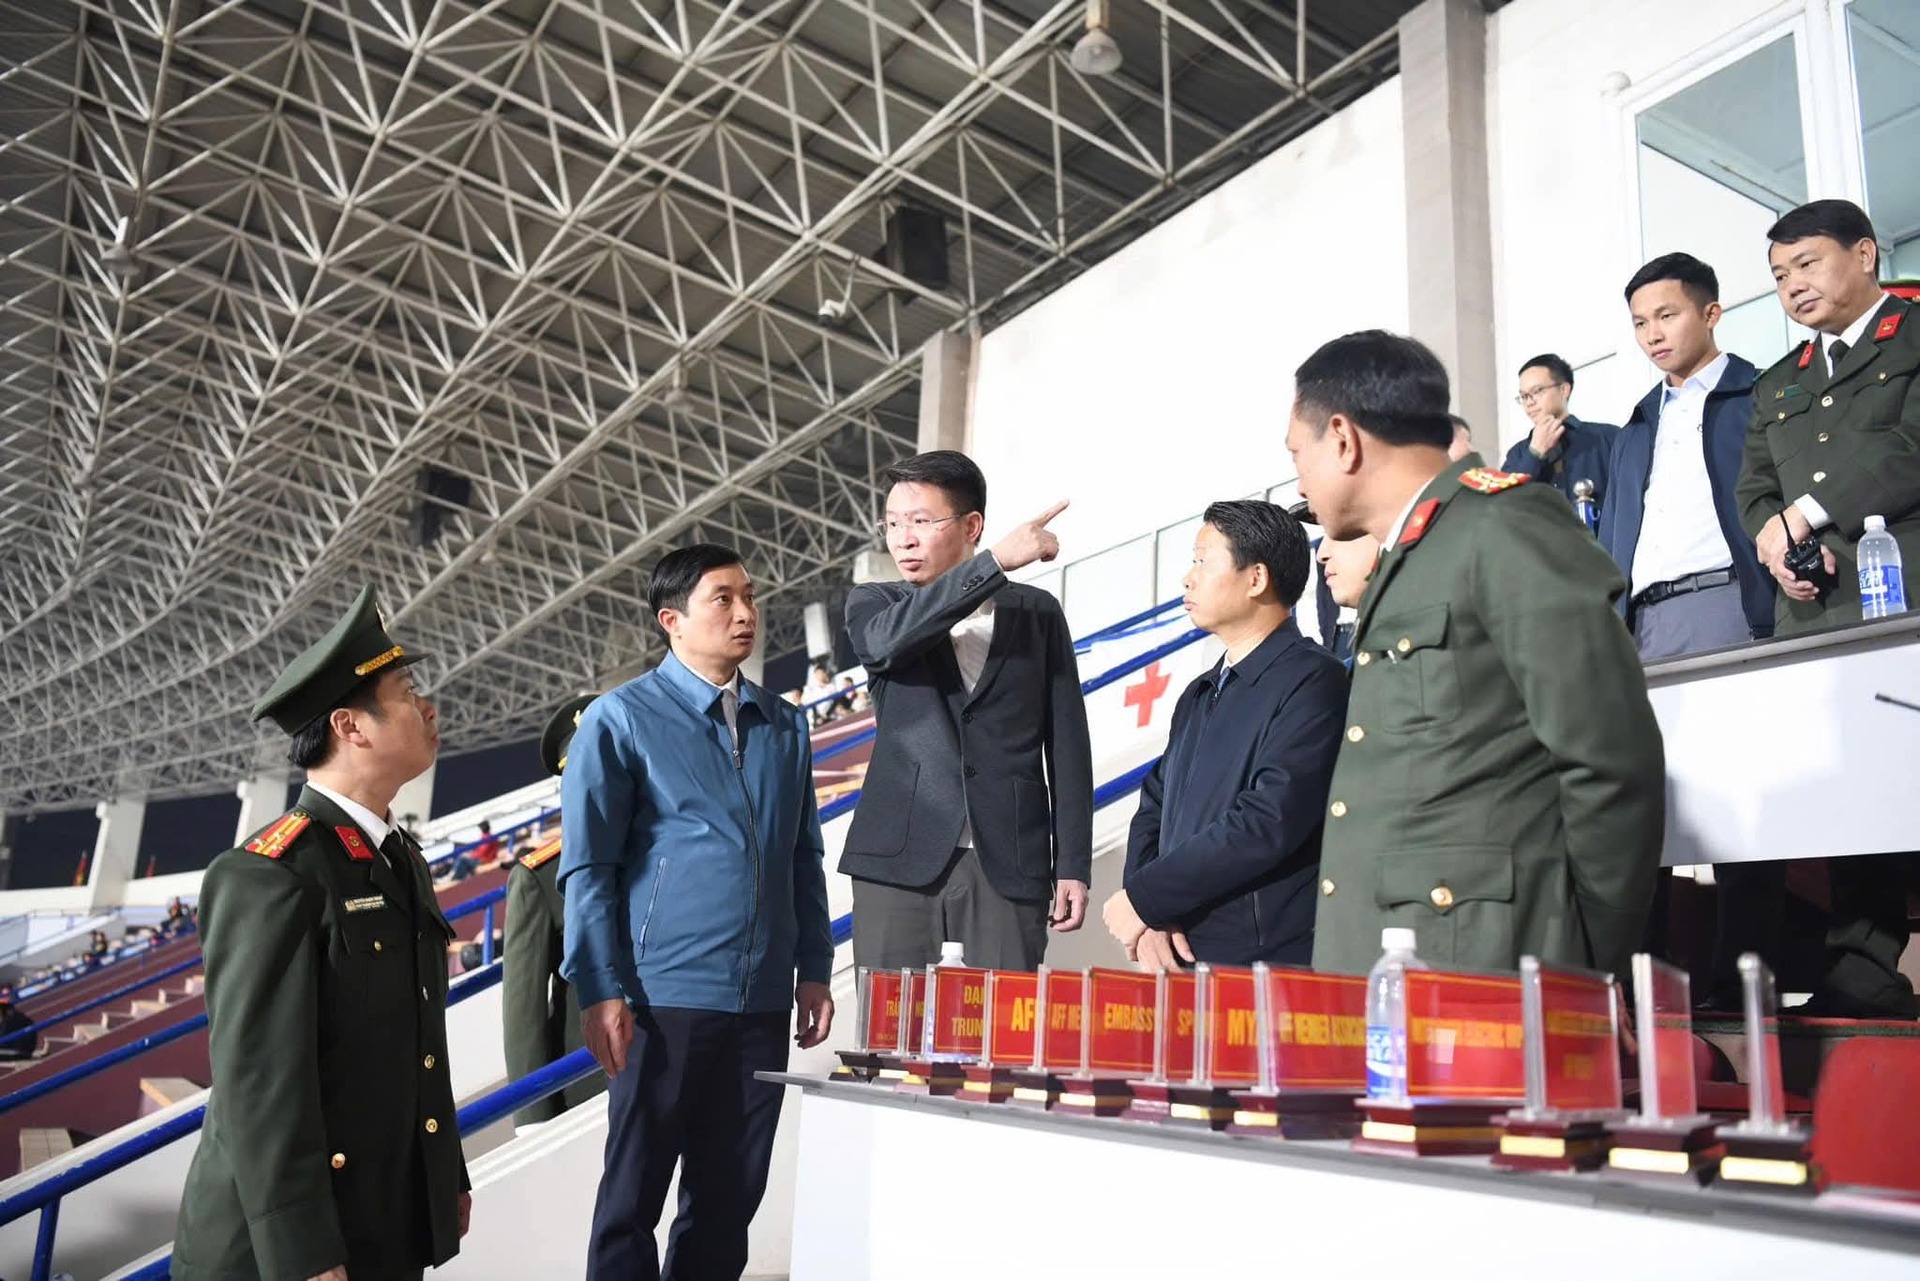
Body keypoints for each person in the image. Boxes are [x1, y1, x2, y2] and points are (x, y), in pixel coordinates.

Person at [1285, 330, 1665, 979]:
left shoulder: (1503, 526)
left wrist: (1585, 963)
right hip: (1399, 960)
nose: (1298, 475)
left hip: (1480, 960)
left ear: (1343, 439)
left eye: (1298, 452)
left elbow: (1608, 759)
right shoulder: (1416, 552)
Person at [172, 585, 469, 1281]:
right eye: (406, 692)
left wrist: (443, 1172)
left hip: (383, 1220)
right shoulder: (269, 874)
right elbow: (260, 1086)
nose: (429, 707)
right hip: (286, 1251)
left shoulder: (398, 857)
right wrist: (303, 1253)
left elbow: (421, 1041)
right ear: (351, 724)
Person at [561, 544, 834, 1281]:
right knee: (632, 1201)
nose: (746, 613)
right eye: (723, 599)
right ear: (672, 620)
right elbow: (589, 867)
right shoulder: (620, 720)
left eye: (749, 596)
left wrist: (813, 966)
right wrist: (600, 985)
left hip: (762, 998)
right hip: (661, 998)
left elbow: (800, 856)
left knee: (729, 1199)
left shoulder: (783, 723)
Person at [1737, 198, 1919, 1020]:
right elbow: (1755, 491)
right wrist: (1772, 542)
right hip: (1815, 616)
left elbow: (1910, 447)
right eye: (1779, 275)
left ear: (1866, 254)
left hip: (1905, 595)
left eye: (1807, 263)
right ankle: (1865, 969)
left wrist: (1807, 513)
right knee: (1855, 792)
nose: (1793, 285)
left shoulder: (1913, 333)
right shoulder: (1779, 383)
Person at [840, 450, 1094, 972]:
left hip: (1008, 858)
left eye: (921, 521)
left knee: (1000, 1039)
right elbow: (885, 645)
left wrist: (1072, 863)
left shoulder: (1037, 614)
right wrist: (994, 564)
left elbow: (1067, 744)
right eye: (892, 523)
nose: (903, 538)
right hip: (897, 860)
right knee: (891, 1037)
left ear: (971, 524)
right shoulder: (875, 604)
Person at [1104, 501, 1348, 970]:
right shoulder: (1200, 692)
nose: (1188, 578)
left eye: (1203, 561)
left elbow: (1267, 820)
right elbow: (1153, 806)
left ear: (1255, 579)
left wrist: (1146, 897)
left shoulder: (1314, 680)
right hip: (1183, 946)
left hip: (1261, 959)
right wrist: (1151, 914)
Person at [1602, 253, 1774, 658]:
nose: (1652, 335)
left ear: (1711, 314)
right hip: (1640, 625)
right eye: (1640, 323)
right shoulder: (1634, 429)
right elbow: (1610, 544)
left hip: (1726, 600)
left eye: (1667, 316)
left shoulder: (1760, 395)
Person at [502, 694, 607, 1128]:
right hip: (591, 1093)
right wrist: (533, 1119)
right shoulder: (541, 877)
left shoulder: (677, 845)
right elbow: (523, 1012)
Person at [1502, 354, 1620, 508]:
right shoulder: (1517, 454)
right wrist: (1534, 455)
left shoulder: (1608, 438)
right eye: (1524, 396)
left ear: (1564, 390)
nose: (1529, 402)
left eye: (1537, 391)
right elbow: (1503, 508)